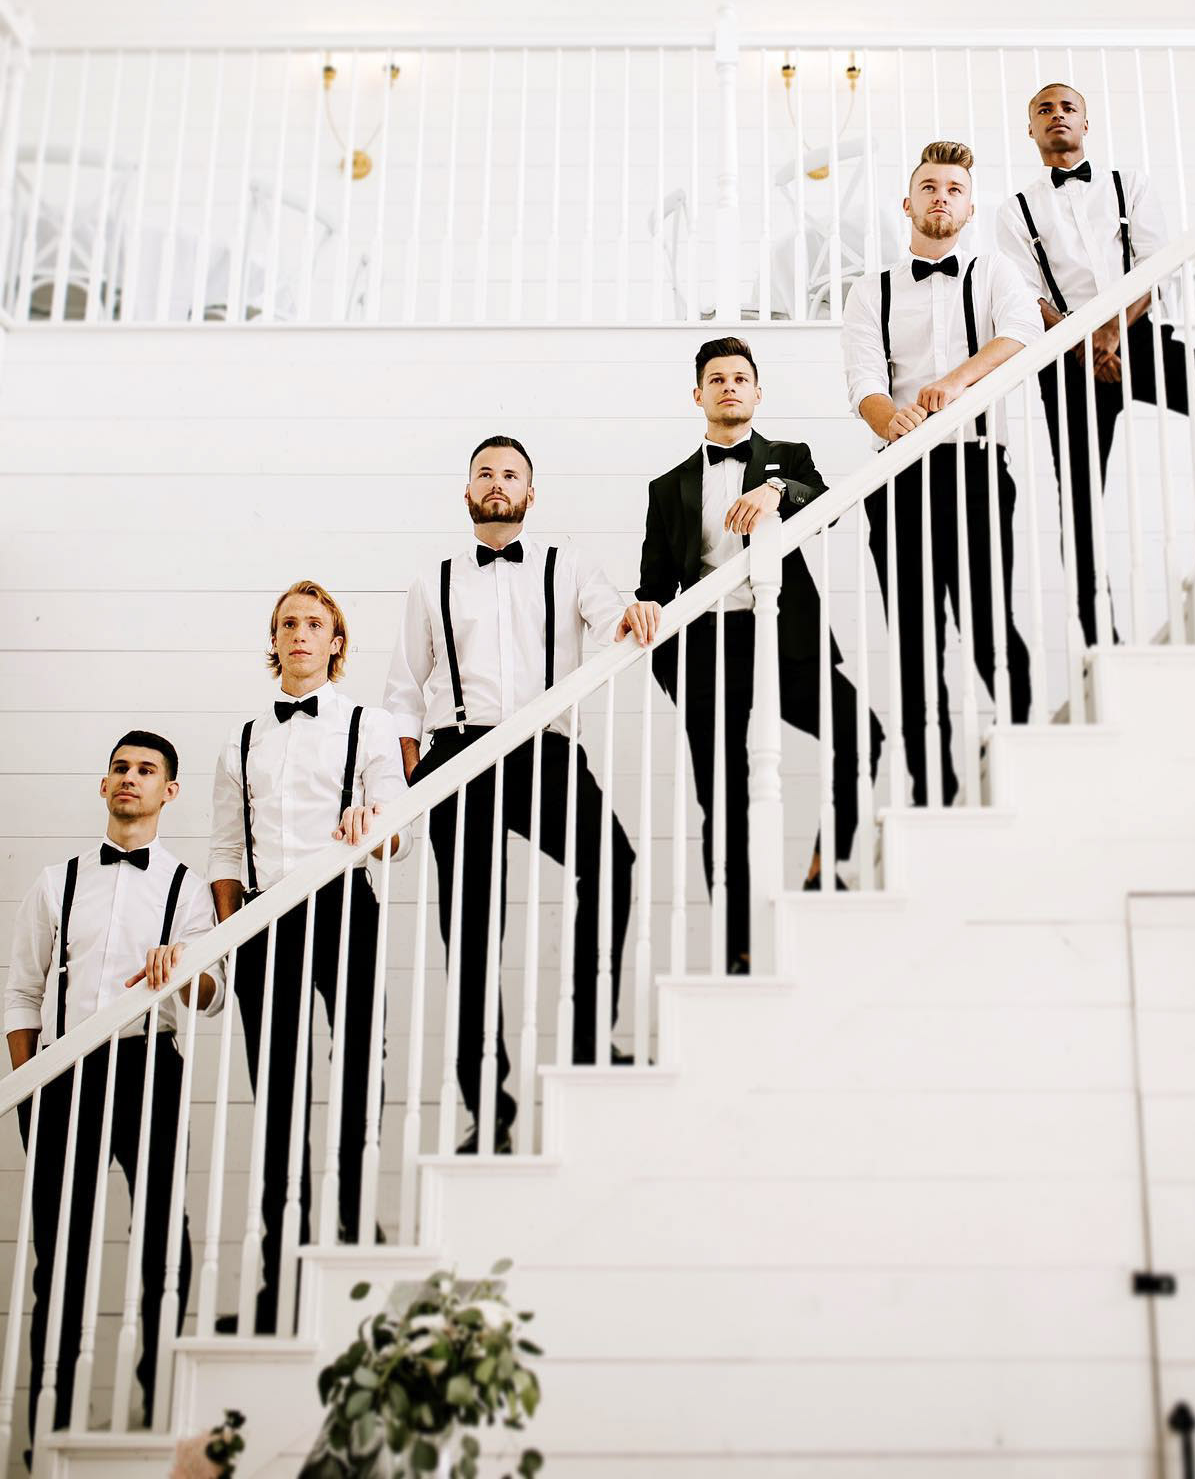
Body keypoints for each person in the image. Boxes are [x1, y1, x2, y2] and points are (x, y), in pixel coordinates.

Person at [384, 435, 650, 1153]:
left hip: (543, 746)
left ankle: (593, 1036)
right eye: (485, 474)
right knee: (470, 937)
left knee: (615, 862)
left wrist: (634, 620)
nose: (497, 484)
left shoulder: (570, 567)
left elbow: (614, 621)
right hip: (457, 757)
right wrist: (412, 782)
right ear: (466, 490)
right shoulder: (431, 580)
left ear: (532, 494)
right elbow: (404, 692)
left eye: (511, 476)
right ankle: (488, 1111)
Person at [632, 338, 883, 966]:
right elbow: (653, 591)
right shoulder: (666, 489)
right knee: (722, 801)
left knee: (862, 734)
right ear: (699, 395)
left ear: (757, 391)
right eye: (715, 379)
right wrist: (675, 673)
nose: (728, 387)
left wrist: (777, 495)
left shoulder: (788, 458)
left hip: (784, 638)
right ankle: (738, 947)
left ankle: (826, 867)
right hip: (706, 654)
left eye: (740, 377)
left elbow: (823, 504)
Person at [5, 733, 221, 1448]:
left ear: (170, 792)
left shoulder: (188, 887)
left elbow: (212, 997)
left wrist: (184, 966)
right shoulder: (56, 879)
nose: (131, 778)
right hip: (60, 1078)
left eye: (147, 770)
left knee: (165, 1237)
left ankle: (157, 1399)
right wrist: (28, 1086)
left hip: (148, 1066)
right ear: (104, 786)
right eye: (121, 769)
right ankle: (48, 1422)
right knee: (58, 1253)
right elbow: (21, 995)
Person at [208, 581, 409, 1333]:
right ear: (274, 641)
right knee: (279, 1101)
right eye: (287, 623)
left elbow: (398, 825)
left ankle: (354, 1237)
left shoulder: (371, 724)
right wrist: (233, 938)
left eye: (314, 624)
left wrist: (375, 819)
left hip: (344, 904)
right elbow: (226, 849)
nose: (299, 633)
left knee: (361, 1072)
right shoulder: (242, 741)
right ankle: (278, 1272)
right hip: (264, 922)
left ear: (335, 643)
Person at [995, 83, 1195, 636]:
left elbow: (1156, 263)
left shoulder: (1130, 184)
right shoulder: (1015, 210)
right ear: (1030, 130)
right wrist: (1084, 342)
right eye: (1044, 110)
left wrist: (1112, 336)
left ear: (1086, 123)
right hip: (1066, 360)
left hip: (1138, 338)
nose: (1057, 116)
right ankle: (1103, 637)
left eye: (1068, 107)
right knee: (1080, 503)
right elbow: (1027, 297)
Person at [842, 140, 1041, 806]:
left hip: (979, 468)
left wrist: (953, 384)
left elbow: (1020, 334)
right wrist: (886, 419)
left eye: (953, 189)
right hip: (898, 480)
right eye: (929, 186)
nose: (941, 197)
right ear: (908, 202)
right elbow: (864, 379)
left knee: (989, 624)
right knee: (915, 639)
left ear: (969, 206)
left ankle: (1020, 752)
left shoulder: (996, 274)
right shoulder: (870, 291)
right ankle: (933, 786)